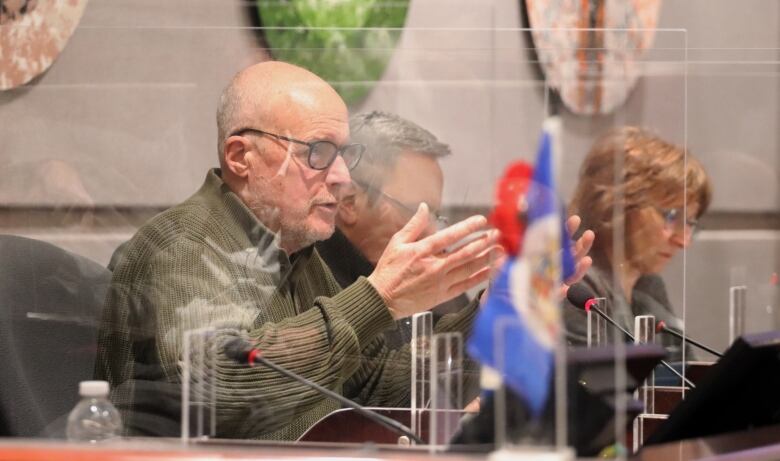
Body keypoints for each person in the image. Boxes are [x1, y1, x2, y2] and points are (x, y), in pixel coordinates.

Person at [94, 61, 502, 440]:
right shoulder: (185, 245)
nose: (342, 177)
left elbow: (375, 387)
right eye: (318, 152)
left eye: (343, 154)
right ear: (241, 157)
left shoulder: (296, 252)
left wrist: (492, 311)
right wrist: (378, 298)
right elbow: (219, 391)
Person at [564, 126, 712, 361]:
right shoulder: (576, 292)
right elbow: (601, 393)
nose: (683, 241)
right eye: (673, 217)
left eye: (689, 223)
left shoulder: (649, 289)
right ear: (618, 203)